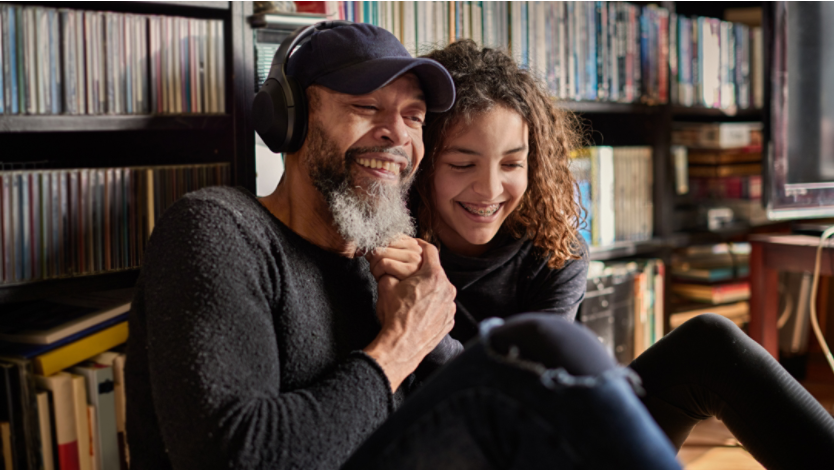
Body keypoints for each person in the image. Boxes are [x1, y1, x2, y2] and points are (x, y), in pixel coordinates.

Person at [125, 23, 684, 470]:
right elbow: (237, 457)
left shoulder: (380, 265)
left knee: (676, 346)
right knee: (538, 346)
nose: (396, 133)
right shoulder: (216, 231)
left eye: (413, 116)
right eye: (367, 108)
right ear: (289, 119)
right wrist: (402, 344)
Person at [368, 40, 834, 470]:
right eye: (462, 164)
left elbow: (532, 390)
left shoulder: (557, 249)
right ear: (424, 161)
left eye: (512, 164)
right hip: (446, 450)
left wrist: (427, 332)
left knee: (710, 342)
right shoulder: (385, 245)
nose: (490, 189)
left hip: (546, 439)